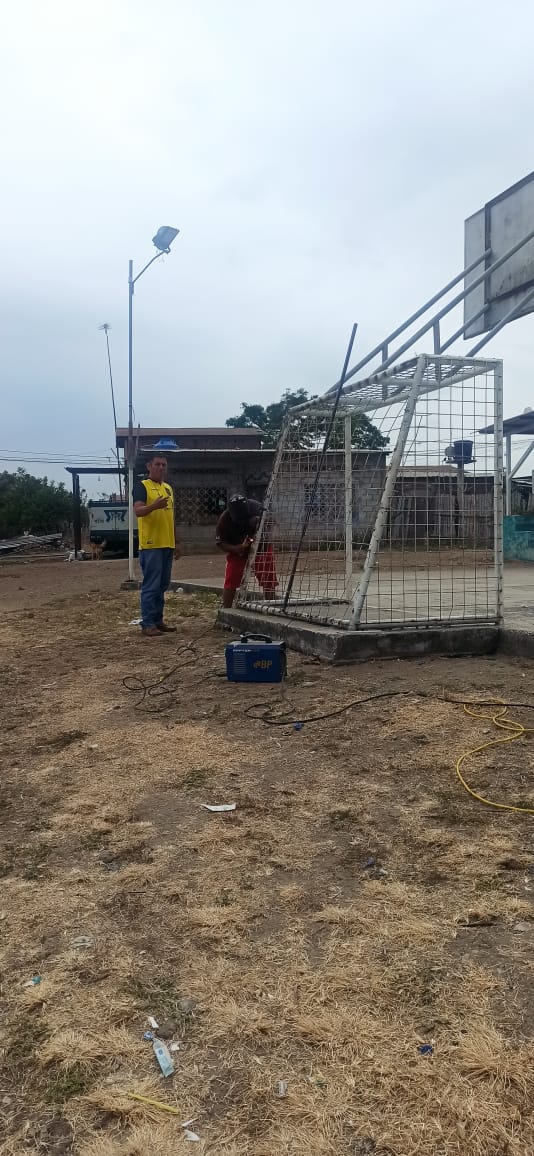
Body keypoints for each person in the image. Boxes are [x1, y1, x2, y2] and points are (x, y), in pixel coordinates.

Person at [133, 453, 180, 637]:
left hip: (167, 543)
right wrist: (154, 506)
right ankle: (147, 623)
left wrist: (177, 542)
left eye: (164, 465)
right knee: (151, 585)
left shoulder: (168, 488)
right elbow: (138, 511)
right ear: (149, 466)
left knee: (162, 585)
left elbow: (171, 517)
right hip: (151, 545)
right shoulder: (142, 486)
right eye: (157, 464)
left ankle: (158, 620)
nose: (161, 468)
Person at [216, 494, 277, 608]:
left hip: (261, 548)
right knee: (231, 580)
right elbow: (220, 543)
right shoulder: (224, 519)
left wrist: (261, 521)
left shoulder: (256, 507)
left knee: (268, 579)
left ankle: (272, 607)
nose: (242, 522)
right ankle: (226, 609)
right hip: (238, 551)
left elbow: (272, 520)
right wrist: (236, 548)